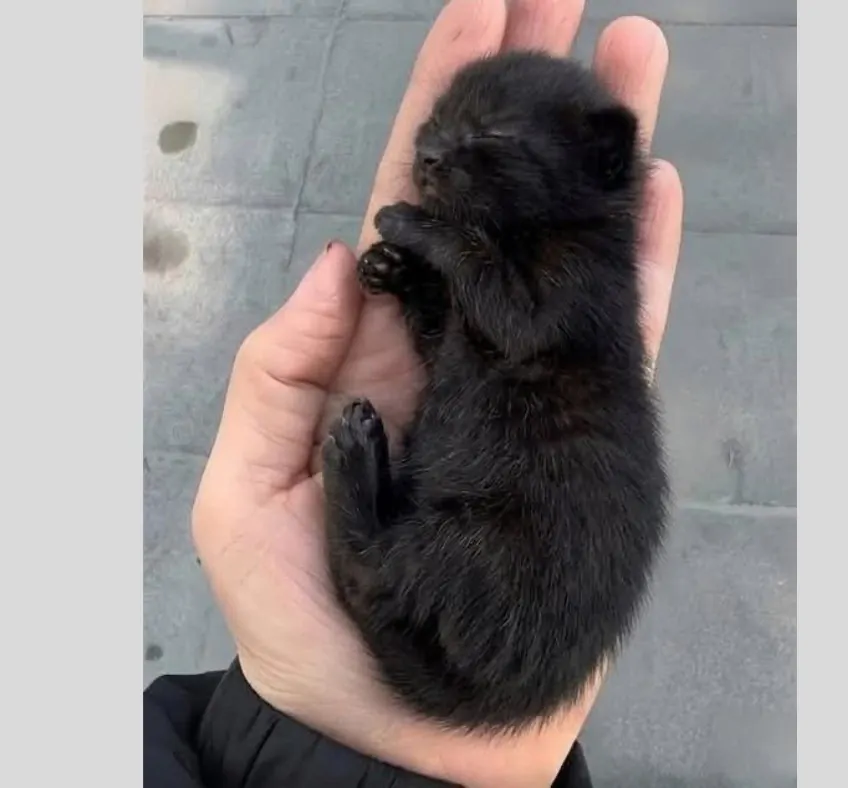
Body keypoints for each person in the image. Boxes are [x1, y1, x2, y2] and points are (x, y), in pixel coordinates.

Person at [143, 2, 684, 786]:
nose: (432, 153)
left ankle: (367, 551)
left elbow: (516, 319)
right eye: (439, 127)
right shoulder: (516, 270)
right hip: (484, 518)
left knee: (453, 558)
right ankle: (377, 557)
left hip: (517, 543)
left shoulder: (582, 270)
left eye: (489, 143)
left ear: (595, 160)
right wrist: (417, 289)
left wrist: (433, 239)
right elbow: (464, 349)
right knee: (447, 527)